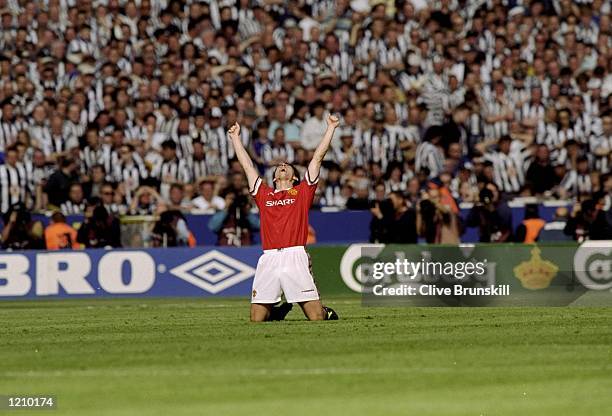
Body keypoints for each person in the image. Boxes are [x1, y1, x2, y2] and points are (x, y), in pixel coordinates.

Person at [228, 116, 339, 322]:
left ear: (294, 177)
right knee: (256, 320)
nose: (282, 164)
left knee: (316, 318)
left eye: (287, 165)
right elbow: (248, 167)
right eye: (280, 165)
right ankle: (277, 312)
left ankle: (326, 311)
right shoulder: (264, 194)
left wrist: (331, 128)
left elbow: (317, 159)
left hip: (295, 254)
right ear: (275, 177)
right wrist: (235, 138)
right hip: (269, 258)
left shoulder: (302, 193)